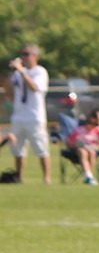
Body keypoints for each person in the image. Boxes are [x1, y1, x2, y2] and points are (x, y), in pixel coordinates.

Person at [9, 44, 51, 183]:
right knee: (18, 149)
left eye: (27, 54)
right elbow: (9, 92)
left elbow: (34, 87)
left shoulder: (40, 71)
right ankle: (19, 177)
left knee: (41, 148)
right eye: (23, 54)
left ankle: (47, 178)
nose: (24, 57)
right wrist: (12, 72)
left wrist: (22, 71)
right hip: (19, 116)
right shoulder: (18, 73)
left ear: (35, 56)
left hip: (34, 117)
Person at [65, 109, 99, 186]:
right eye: (97, 118)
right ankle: (88, 176)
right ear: (92, 118)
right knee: (83, 151)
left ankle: (89, 176)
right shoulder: (80, 129)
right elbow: (69, 142)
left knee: (92, 153)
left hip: (93, 149)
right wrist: (75, 145)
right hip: (79, 149)